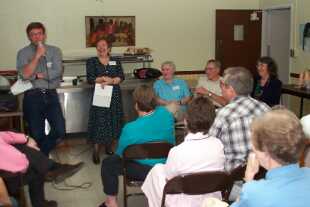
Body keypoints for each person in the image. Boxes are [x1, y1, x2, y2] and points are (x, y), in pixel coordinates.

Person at [98, 85, 175, 207]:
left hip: (145, 171)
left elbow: (120, 154)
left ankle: (111, 203)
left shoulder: (130, 128)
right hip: (166, 165)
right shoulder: (166, 115)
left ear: (136, 104)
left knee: (109, 163)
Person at [142, 96, 225, 207]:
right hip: (211, 198)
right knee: (159, 169)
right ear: (212, 121)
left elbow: (169, 179)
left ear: (185, 121)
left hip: (184, 201)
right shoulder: (218, 145)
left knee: (157, 171)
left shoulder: (177, 151)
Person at [230, 108, 310, 207]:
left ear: (265, 152)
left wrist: (248, 177)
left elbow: (236, 201)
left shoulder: (253, 192)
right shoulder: (307, 172)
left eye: (253, 143)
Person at [17, 22, 65, 156]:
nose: (36, 37)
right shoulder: (23, 53)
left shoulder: (55, 50)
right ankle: (43, 166)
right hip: (33, 96)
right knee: (36, 134)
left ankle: (41, 157)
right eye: (33, 34)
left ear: (44, 35)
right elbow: (25, 75)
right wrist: (37, 56)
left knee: (60, 131)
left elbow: (57, 72)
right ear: (29, 37)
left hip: (51, 94)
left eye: (39, 33)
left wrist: (37, 75)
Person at [0, 131, 84, 207]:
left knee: (37, 165)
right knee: (36, 166)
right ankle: (53, 169)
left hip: (14, 168)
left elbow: (6, 136)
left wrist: (27, 139)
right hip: (5, 180)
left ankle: (52, 170)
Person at [209, 67, 269, 171]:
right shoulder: (265, 108)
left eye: (222, 86)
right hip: (263, 170)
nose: (221, 89)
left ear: (231, 90)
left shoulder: (224, 114)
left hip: (233, 178)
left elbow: (211, 145)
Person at [86, 37, 124, 164]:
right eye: (99, 46)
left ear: (109, 48)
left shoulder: (115, 60)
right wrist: (103, 78)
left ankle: (108, 146)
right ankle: (96, 150)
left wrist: (112, 81)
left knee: (112, 120)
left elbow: (121, 76)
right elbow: (90, 78)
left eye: (104, 45)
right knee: (99, 121)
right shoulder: (92, 61)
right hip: (100, 94)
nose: (101, 48)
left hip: (114, 95)